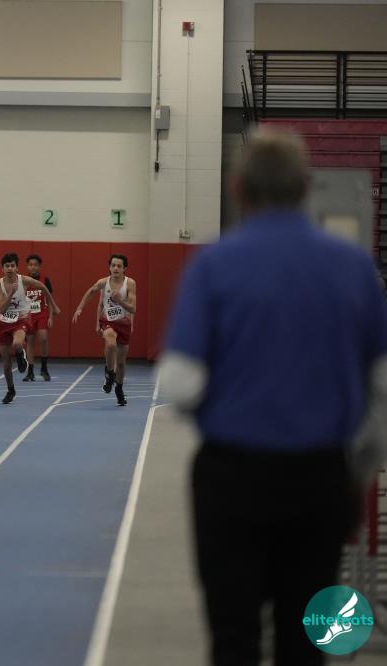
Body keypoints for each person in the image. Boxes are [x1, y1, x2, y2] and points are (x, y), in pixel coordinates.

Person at [159, 128, 387, 666]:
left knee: (234, 635)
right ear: (305, 187)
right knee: (305, 641)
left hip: (232, 478)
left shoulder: (214, 265)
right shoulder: (354, 266)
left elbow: (179, 382)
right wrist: (357, 467)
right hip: (320, 478)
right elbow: (382, 385)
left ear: (237, 189)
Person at [71, 254, 137, 406]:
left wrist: (120, 301)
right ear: (109, 267)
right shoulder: (103, 282)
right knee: (110, 343)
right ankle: (109, 373)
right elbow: (90, 292)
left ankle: (119, 389)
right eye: (113, 265)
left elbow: (133, 309)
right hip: (107, 321)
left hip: (124, 323)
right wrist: (80, 308)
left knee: (121, 363)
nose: (115, 268)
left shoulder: (130, 283)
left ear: (125, 268)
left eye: (119, 266)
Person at [0, 253, 56, 404]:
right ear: (3, 269)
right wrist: (11, 293)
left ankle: (21, 356)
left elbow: (43, 287)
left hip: (21, 319)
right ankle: (11, 390)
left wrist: (53, 305)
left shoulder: (24, 280)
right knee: (6, 364)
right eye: (7, 266)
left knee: (17, 343)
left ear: (17, 267)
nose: (10, 268)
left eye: (12, 266)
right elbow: (2, 309)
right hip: (3, 321)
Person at [23, 254, 59, 381]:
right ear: (27, 266)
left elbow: (49, 299)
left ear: (39, 266)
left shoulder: (45, 280)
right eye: (30, 265)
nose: (33, 267)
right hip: (28, 315)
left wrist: (51, 317)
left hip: (42, 313)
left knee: (43, 338)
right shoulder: (24, 281)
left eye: (35, 265)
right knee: (30, 341)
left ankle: (44, 367)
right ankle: (30, 371)